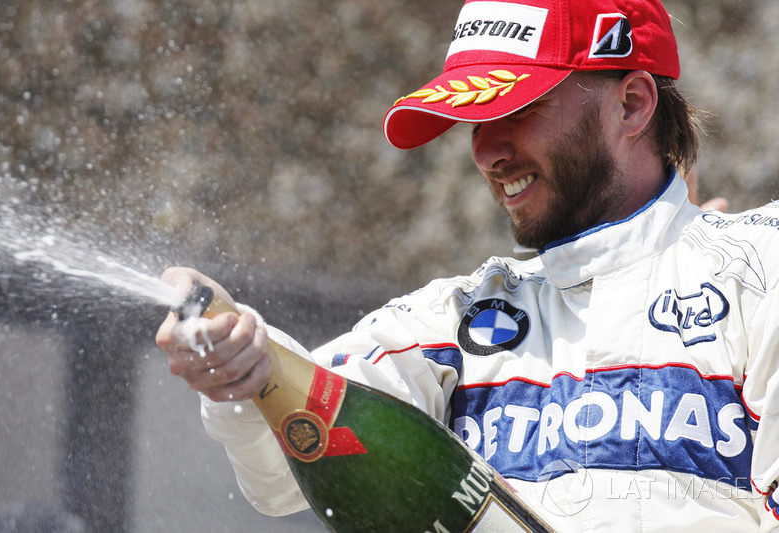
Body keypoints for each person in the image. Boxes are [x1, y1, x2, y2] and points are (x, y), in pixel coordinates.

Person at [156, 0, 779, 530]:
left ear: (633, 104)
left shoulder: (761, 270)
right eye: (473, 119)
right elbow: (280, 473)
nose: (486, 151)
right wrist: (243, 362)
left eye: (516, 109)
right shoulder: (450, 318)